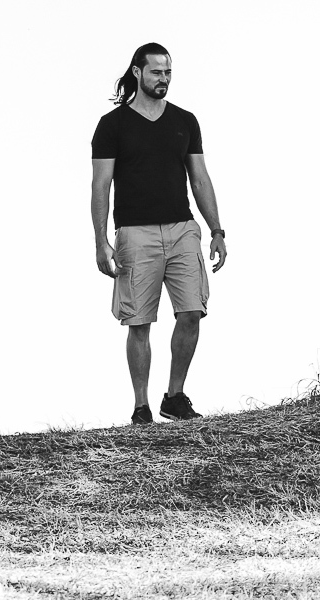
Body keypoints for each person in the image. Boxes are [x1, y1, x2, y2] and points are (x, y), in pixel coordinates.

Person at [90, 43, 227, 425]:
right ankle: (141, 407)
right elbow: (101, 186)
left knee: (192, 313)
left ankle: (175, 396)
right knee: (139, 322)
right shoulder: (112, 125)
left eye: (168, 72)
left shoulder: (184, 120)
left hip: (183, 229)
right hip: (135, 234)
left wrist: (216, 229)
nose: (163, 79)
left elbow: (199, 178)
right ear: (137, 72)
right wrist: (101, 241)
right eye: (156, 72)